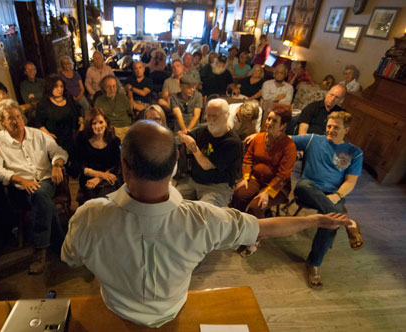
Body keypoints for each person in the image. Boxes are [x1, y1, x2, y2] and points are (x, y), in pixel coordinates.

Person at [61, 119, 352, 327]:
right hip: (172, 311)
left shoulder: (89, 215)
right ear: (176, 163)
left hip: (116, 309)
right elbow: (262, 228)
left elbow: (70, 257)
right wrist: (313, 219)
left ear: (124, 166)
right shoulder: (202, 218)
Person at [0, 99, 68, 275]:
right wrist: (20, 180)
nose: (17, 121)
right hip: (20, 188)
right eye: (11, 118)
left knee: (41, 193)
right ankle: (58, 243)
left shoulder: (37, 134)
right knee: (41, 198)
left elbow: (58, 151)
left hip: (46, 181)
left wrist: (57, 164)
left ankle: (41, 248)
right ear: (3, 121)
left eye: (18, 116)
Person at [292, 111, 364, 288]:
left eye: (336, 127)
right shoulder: (312, 139)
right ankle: (347, 222)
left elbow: (350, 182)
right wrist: (259, 134)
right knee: (304, 186)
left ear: (346, 130)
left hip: (333, 194)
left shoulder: (354, 153)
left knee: (330, 220)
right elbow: (285, 139)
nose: (330, 130)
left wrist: (338, 195)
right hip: (308, 189)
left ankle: (314, 263)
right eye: (329, 126)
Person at [232, 107, 297, 256]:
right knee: (239, 194)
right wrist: (246, 177)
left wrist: (267, 192)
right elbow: (248, 158)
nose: (269, 123)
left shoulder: (289, 146)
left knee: (257, 205)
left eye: (274, 121)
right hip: (256, 178)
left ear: (283, 125)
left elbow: (283, 175)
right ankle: (239, 229)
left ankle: (254, 239)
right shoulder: (258, 138)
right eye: (268, 119)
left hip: (277, 186)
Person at [176, 99, 241, 207]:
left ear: (227, 115)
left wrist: (194, 148)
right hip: (194, 181)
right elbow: (182, 137)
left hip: (217, 186)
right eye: (208, 115)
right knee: (171, 201)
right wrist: (184, 137)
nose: (210, 119)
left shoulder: (232, 142)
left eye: (215, 116)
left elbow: (206, 164)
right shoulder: (203, 130)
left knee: (203, 213)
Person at [76, 108, 121, 206]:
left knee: (105, 200)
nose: (98, 126)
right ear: (90, 125)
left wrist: (99, 178)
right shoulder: (82, 139)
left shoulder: (114, 141)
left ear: (106, 123)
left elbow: (116, 166)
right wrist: (101, 175)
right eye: (94, 123)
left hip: (108, 179)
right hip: (88, 179)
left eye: (101, 122)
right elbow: (79, 166)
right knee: (93, 201)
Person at [35, 75, 82, 165]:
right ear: (50, 87)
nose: (60, 89)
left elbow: (77, 110)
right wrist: (48, 134)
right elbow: (38, 122)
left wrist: (82, 122)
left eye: (61, 86)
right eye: (56, 86)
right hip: (55, 137)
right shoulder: (44, 103)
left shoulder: (68, 98)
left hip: (72, 133)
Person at [94, 75, 132, 140]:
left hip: (125, 127)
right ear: (104, 88)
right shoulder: (99, 101)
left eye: (114, 86)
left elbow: (130, 112)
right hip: (110, 129)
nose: (112, 89)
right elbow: (96, 117)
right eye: (109, 87)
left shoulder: (123, 98)